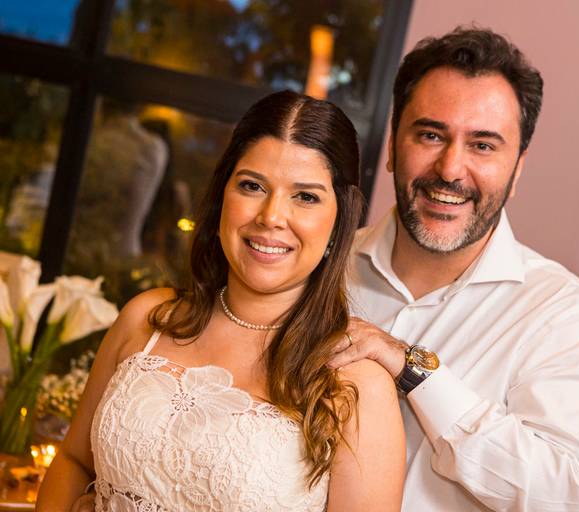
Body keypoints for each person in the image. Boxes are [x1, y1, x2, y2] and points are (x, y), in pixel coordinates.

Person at [36, 90, 405, 511]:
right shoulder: (147, 318)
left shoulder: (357, 385)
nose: (271, 216)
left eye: (305, 196)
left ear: (339, 222)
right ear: (222, 197)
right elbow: (73, 461)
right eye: (252, 186)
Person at [329, 27, 579, 511]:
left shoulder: (561, 312)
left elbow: (560, 498)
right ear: (392, 145)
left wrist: (416, 371)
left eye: (483, 145)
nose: (450, 169)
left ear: (517, 169)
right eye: (431, 135)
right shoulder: (324, 266)